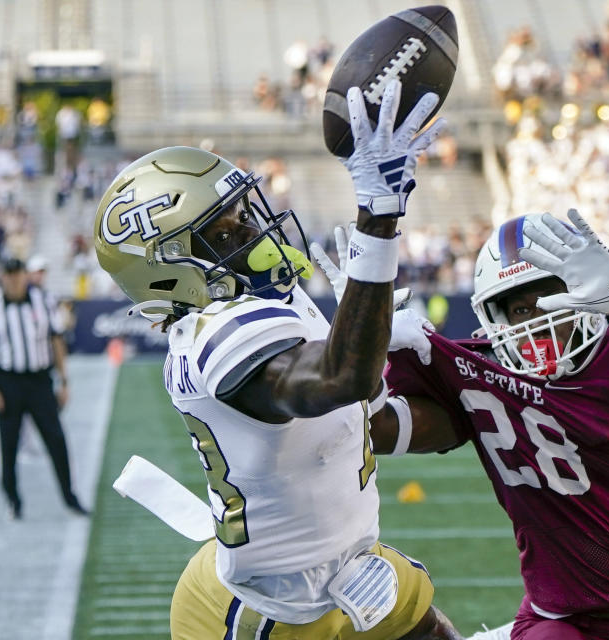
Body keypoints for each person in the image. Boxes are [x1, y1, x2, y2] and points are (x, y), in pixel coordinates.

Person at [93, 79, 462, 640]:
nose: (253, 228)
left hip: (354, 569)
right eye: (225, 230)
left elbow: (364, 427)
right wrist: (379, 215)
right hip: (264, 610)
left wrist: (494, 403)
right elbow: (341, 378)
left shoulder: (271, 303)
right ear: (168, 267)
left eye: (243, 211)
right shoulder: (211, 334)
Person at [362, 210, 609, 640]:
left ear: (588, 293)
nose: (537, 318)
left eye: (553, 299)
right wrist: (367, 348)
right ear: (497, 319)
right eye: (519, 308)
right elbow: (378, 430)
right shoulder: (484, 379)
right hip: (561, 625)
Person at [0, 257, 86, 518]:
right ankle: (13, 500)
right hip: (7, 381)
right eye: (8, 274)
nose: (13, 279)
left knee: (56, 439)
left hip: (39, 381)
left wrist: (64, 380)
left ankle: (70, 497)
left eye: (17, 273)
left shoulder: (44, 301)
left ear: (25, 275)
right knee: (8, 444)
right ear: (2, 277)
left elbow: (56, 341)